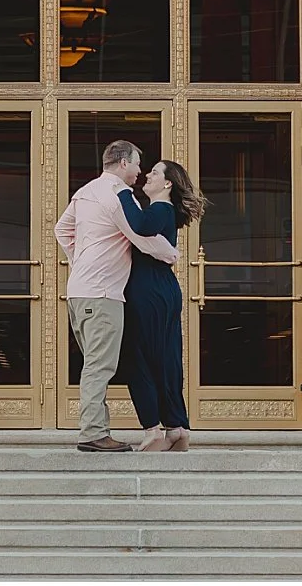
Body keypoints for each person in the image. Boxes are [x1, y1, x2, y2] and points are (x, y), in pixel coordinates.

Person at [53, 138, 177, 452]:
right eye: (137, 163)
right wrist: (170, 254)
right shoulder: (118, 196)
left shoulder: (85, 191)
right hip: (103, 294)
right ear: (123, 163)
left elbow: (61, 230)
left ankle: (95, 430)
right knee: (99, 366)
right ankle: (93, 434)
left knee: (95, 362)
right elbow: (139, 236)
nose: (140, 171)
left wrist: (80, 259)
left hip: (80, 292)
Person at [117, 157, 204, 451]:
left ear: (167, 183)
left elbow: (140, 226)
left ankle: (153, 429)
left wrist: (120, 192)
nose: (147, 176)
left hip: (148, 290)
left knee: (135, 357)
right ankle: (177, 428)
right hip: (161, 289)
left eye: (154, 172)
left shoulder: (158, 209)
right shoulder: (164, 211)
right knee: (165, 358)